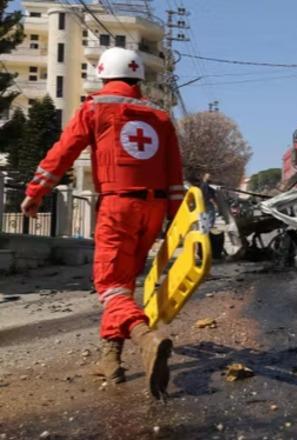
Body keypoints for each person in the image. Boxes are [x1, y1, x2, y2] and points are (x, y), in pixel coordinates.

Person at [20, 47, 184, 399]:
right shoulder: (160, 116)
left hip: (118, 205)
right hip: (154, 209)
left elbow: (63, 152)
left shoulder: (95, 107)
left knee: (110, 285)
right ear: (138, 77)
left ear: (104, 73)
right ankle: (111, 361)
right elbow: (175, 173)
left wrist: (36, 191)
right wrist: (175, 217)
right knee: (123, 284)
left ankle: (146, 338)